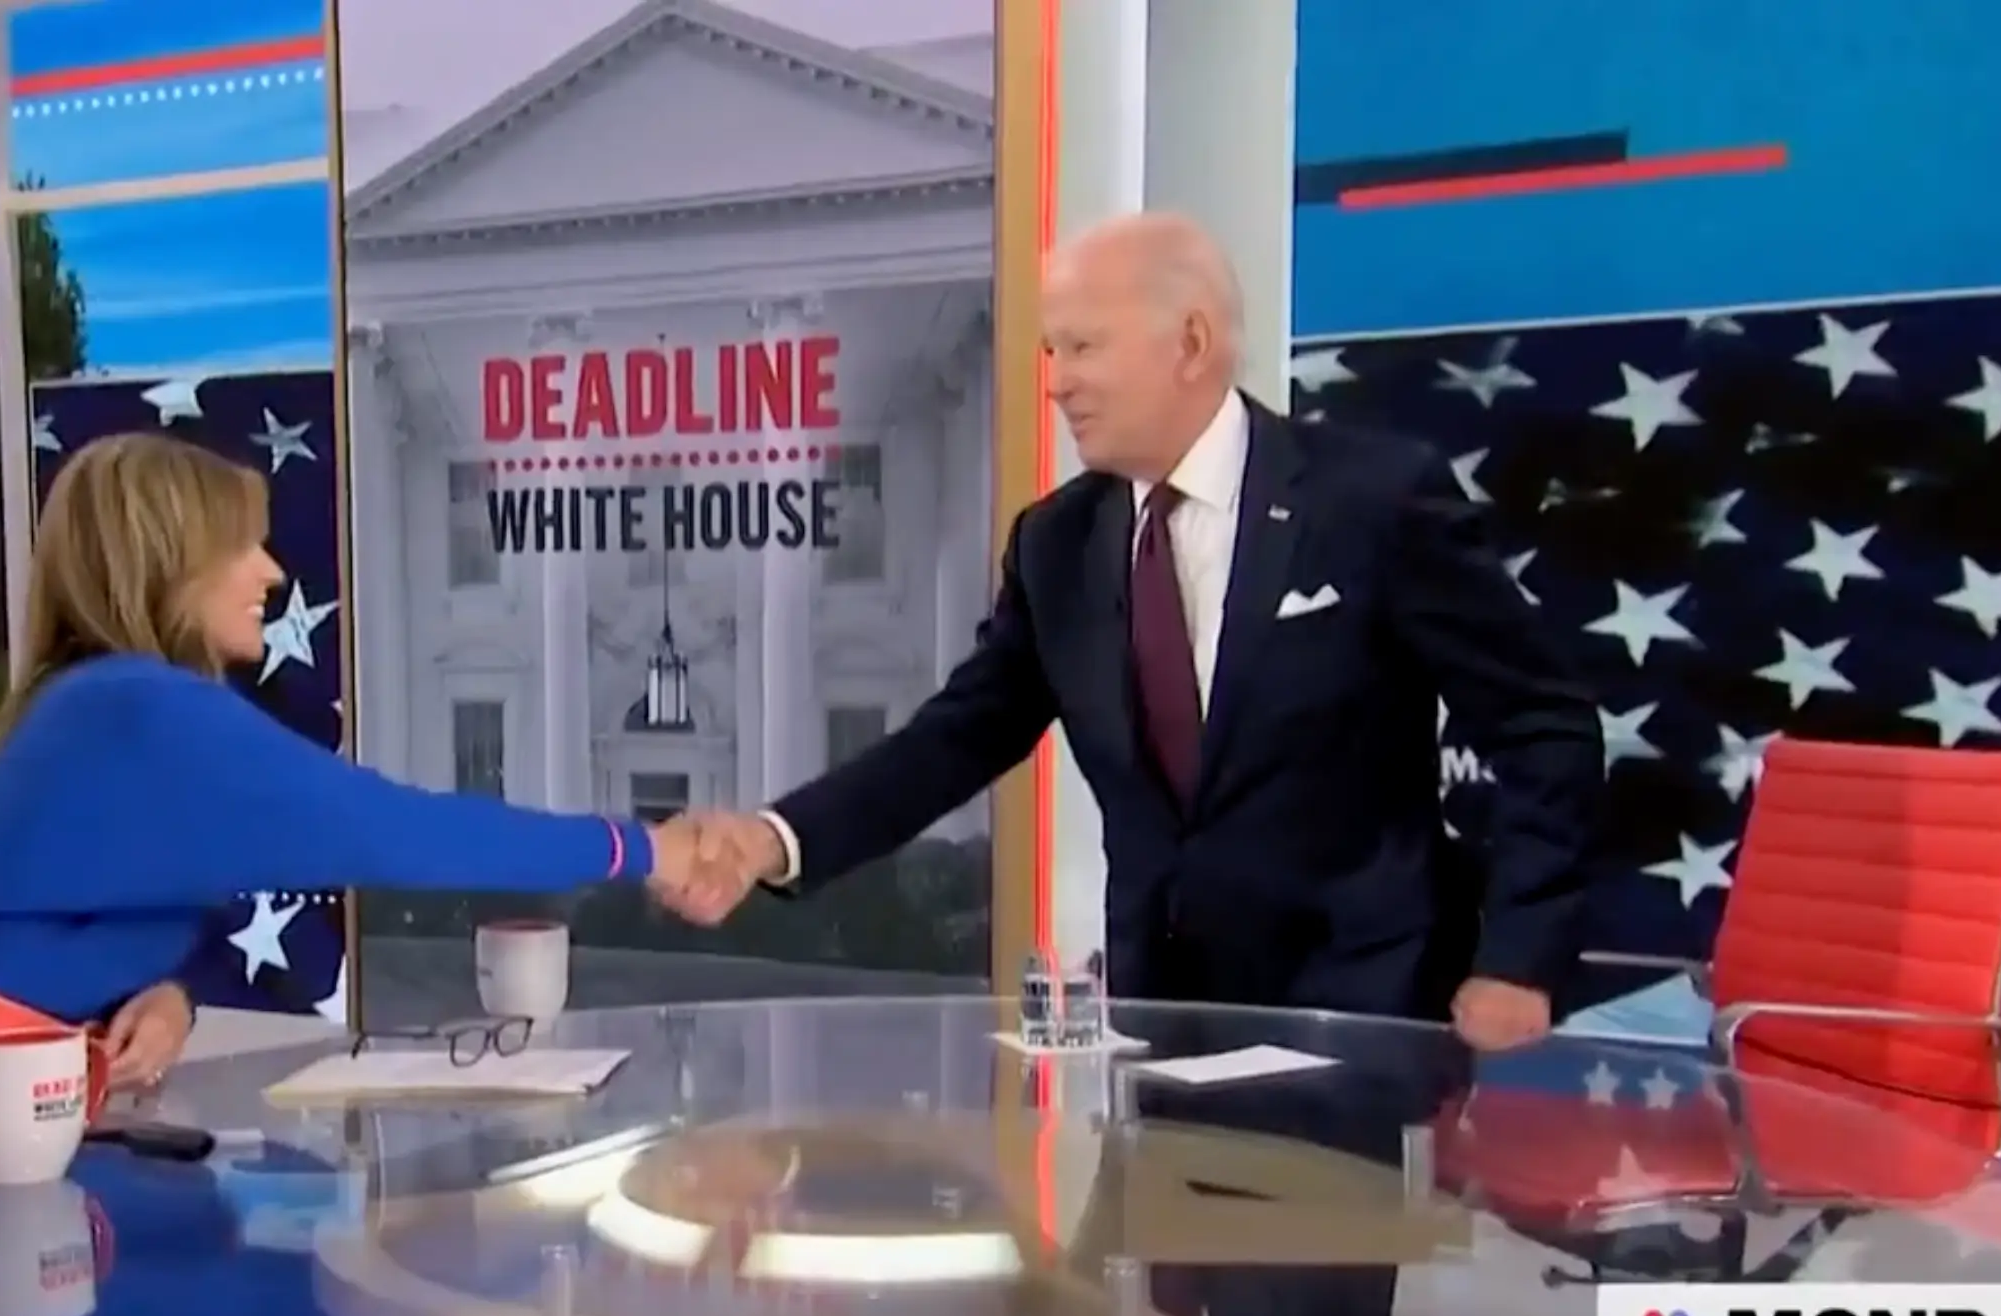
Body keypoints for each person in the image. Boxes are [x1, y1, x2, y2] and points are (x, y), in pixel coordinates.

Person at [0, 431, 703, 1316]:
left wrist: (171, 987)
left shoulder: (95, 708)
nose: (272, 573)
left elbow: (55, 920)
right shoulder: (136, 707)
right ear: (168, 557)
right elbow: (398, 832)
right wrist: (641, 845)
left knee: (286, 1291)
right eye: (246, 547)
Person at [667, 211, 1603, 1049]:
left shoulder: (1372, 502)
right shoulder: (1057, 542)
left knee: (1306, 1248)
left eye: (1081, 347)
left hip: (1356, 1018)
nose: (1056, 384)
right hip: (1157, 1029)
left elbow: (1541, 722)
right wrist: (770, 838)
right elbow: (950, 743)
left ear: (1189, 343)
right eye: (1049, 353)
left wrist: (1519, 953)